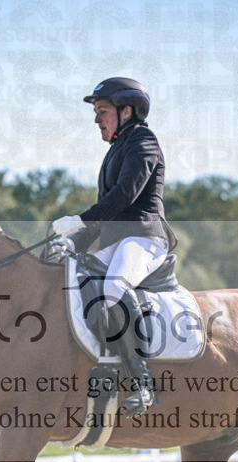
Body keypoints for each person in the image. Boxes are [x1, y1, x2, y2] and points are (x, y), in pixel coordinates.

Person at [51, 77, 177, 418]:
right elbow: (105, 215)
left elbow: (125, 197)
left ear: (127, 110)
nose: (96, 119)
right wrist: (70, 244)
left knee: (113, 287)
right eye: (96, 112)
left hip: (144, 239)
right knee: (70, 283)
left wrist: (78, 220)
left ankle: (142, 384)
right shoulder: (115, 151)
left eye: (102, 110)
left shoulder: (144, 142)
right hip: (116, 241)